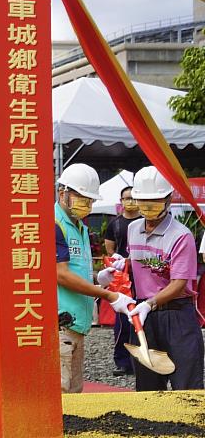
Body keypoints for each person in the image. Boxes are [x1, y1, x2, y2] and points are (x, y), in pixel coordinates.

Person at [55, 163, 134, 394]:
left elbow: (74, 269)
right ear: (63, 193)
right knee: (60, 393)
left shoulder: (77, 225)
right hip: (59, 324)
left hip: (75, 325)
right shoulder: (55, 223)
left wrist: (99, 278)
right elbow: (60, 273)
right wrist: (107, 294)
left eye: (90, 200)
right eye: (81, 198)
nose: (87, 205)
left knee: (74, 392)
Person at [123, 166, 203, 390]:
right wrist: (122, 264)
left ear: (168, 199)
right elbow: (138, 260)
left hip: (176, 315)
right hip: (143, 315)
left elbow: (179, 283)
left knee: (186, 382)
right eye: (143, 202)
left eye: (155, 201)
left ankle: (188, 425)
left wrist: (151, 303)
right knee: (147, 383)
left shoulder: (181, 235)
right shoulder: (132, 229)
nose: (148, 208)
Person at [102, 185, 140, 376]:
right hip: (121, 278)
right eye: (126, 198)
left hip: (142, 276)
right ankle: (122, 361)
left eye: (133, 198)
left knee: (142, 316)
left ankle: (140, 360)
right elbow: (110, 248)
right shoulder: (115, 224)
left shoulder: (145, 222)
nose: (130, 201)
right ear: (121, 201)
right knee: (122, 319)